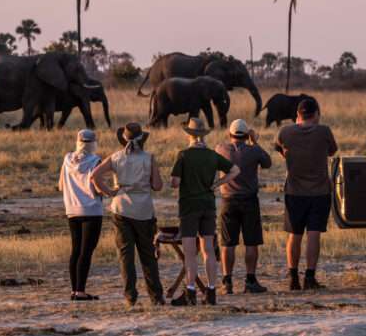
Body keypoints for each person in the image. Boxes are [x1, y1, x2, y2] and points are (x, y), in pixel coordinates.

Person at [90, 122, 165, 307]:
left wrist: (109, 191)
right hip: (144, 210)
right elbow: (157, 186)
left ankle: (130, 296)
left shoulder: (116, 157)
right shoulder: (148, 158)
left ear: (124, 138)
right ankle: (156, 296)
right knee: (148, 255)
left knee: (126, 255)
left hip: (121, 207)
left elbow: (95, 175)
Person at [169, 117, 240, 306]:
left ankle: (191, 290)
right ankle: (210, 291)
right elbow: (235, 171)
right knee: (208, 249)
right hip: (208, 205)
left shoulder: (183, 155)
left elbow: (174, 183)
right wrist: (217, 183)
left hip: (189, 206)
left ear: (189, 135)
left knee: (190, 252)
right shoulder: (212, 155)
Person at [275, 97, 338, 290]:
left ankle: (293, 277)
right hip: (319, 191)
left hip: (294, 192)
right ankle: (309, 277)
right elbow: (332, 151)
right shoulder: (324, 131)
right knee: (313, 234)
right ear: (316, 114)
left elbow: (278, 146)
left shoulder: (285, 131)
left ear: (297, 115)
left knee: (294, 234)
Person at [215, 118, 272, 294]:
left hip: (228, 200)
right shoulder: (253, 151)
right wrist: (255, 142)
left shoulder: (220, 149)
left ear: (229, 134)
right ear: (247, 135)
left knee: (228, 243)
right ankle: (250, 280)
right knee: (251, 242)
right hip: (249, 199)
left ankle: (227, 281)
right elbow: (268, 163)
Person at [58, 129, 104, 301]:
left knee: (76, 250)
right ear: (93, 143)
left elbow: (61, 185)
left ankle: (74, 290)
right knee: (86, 251)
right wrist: (109, 192)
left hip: (72, 209)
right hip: (92, 209)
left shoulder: (67, 159)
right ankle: (81, 291)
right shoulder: (96, 160)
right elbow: (98, 187)